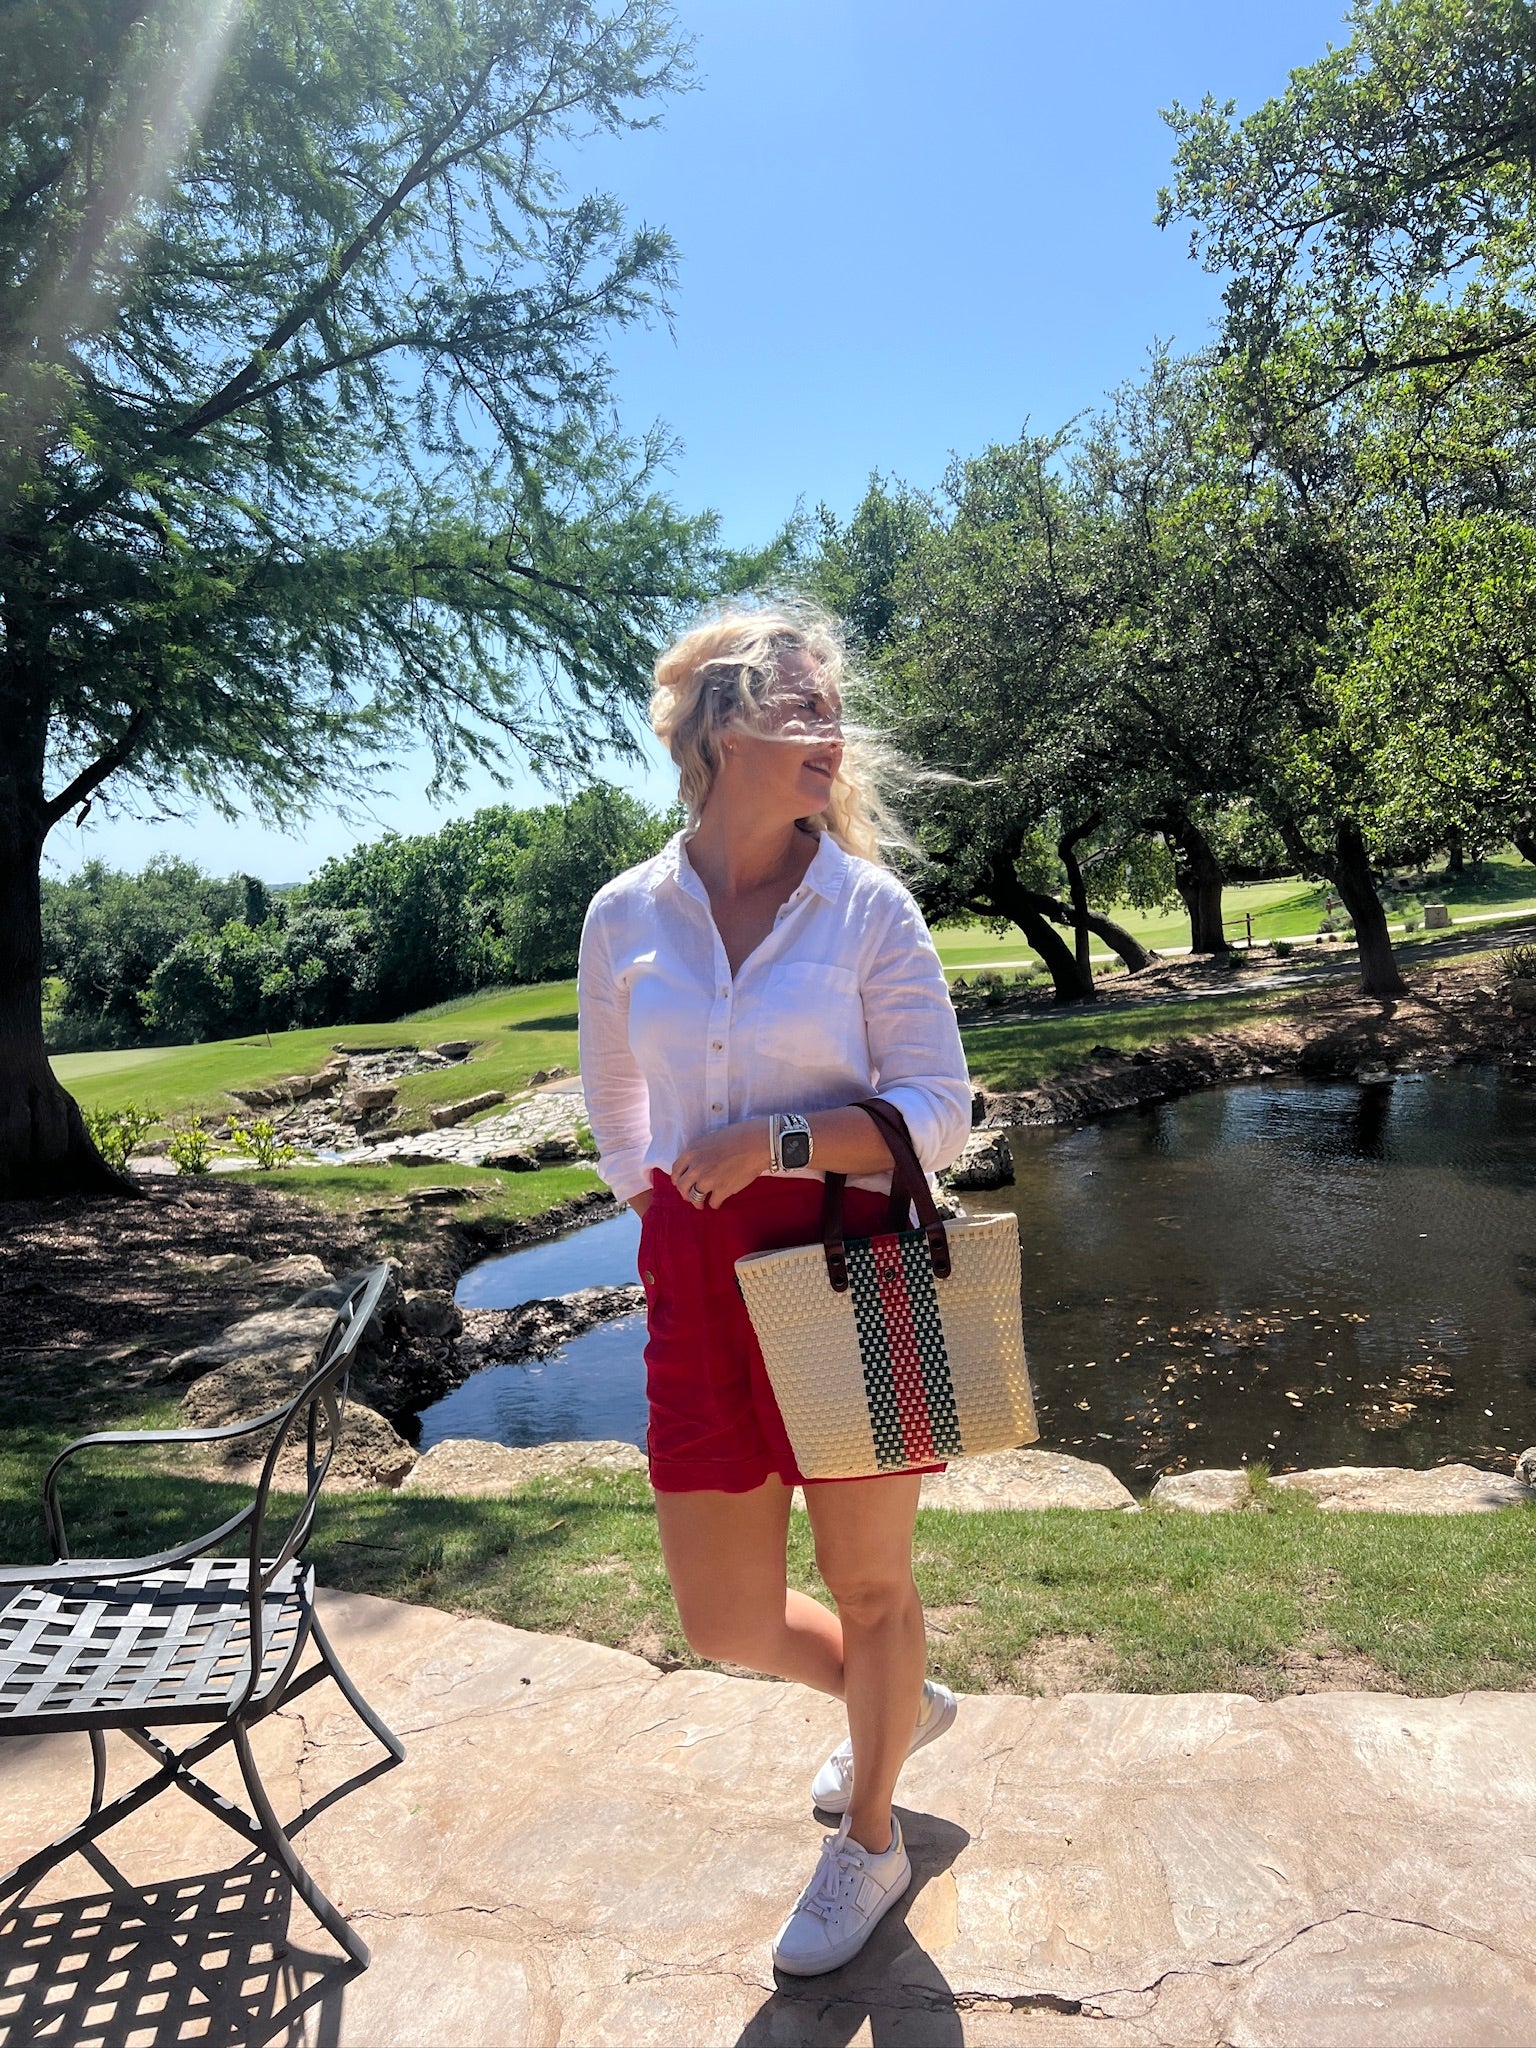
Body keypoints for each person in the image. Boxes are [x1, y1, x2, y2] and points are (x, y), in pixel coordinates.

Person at [576, 599, 973, 1976]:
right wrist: (653, 1196)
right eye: (799, 709)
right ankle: (895, 1707)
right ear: (717, 729)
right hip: (694, 1266)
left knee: (872, 1585)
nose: (830, 735)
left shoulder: (866, 906)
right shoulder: (626, 911)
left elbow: (943, 1108)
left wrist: (781, 1144)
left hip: (853, 1253)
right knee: (722, 1616)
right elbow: (616, 1092)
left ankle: (871, 1837)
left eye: (831, 711)